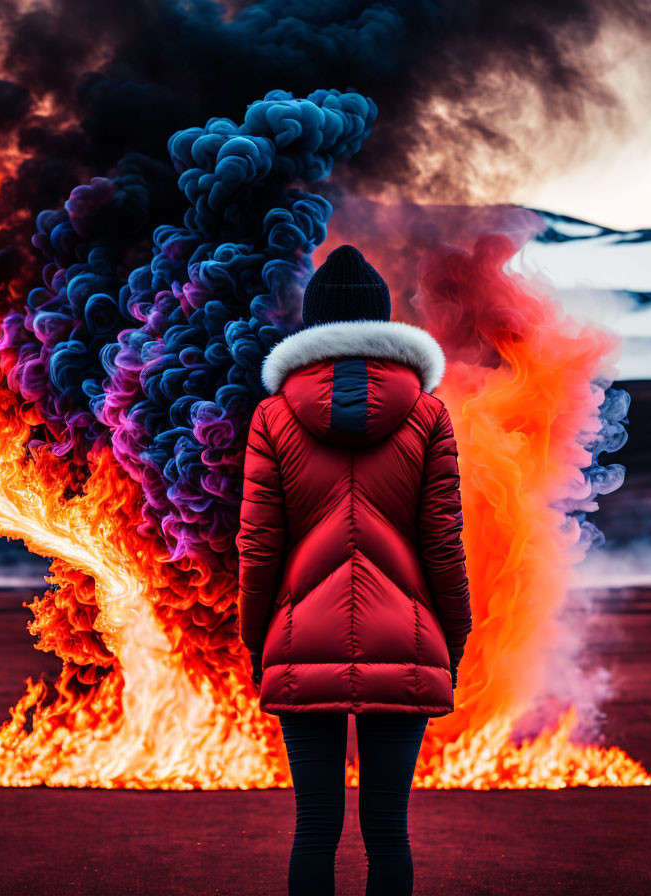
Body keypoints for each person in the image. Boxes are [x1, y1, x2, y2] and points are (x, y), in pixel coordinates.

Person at [237, 244, 473, 896]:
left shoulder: (274, 415)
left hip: (298, 638)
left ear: (312, 329)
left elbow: (258, 544)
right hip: (408, 638)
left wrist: (261, 639)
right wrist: (451, 636)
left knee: (314, 827)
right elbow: (443, 542)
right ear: (384, 325)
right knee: (388, 830)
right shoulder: (427, 416)